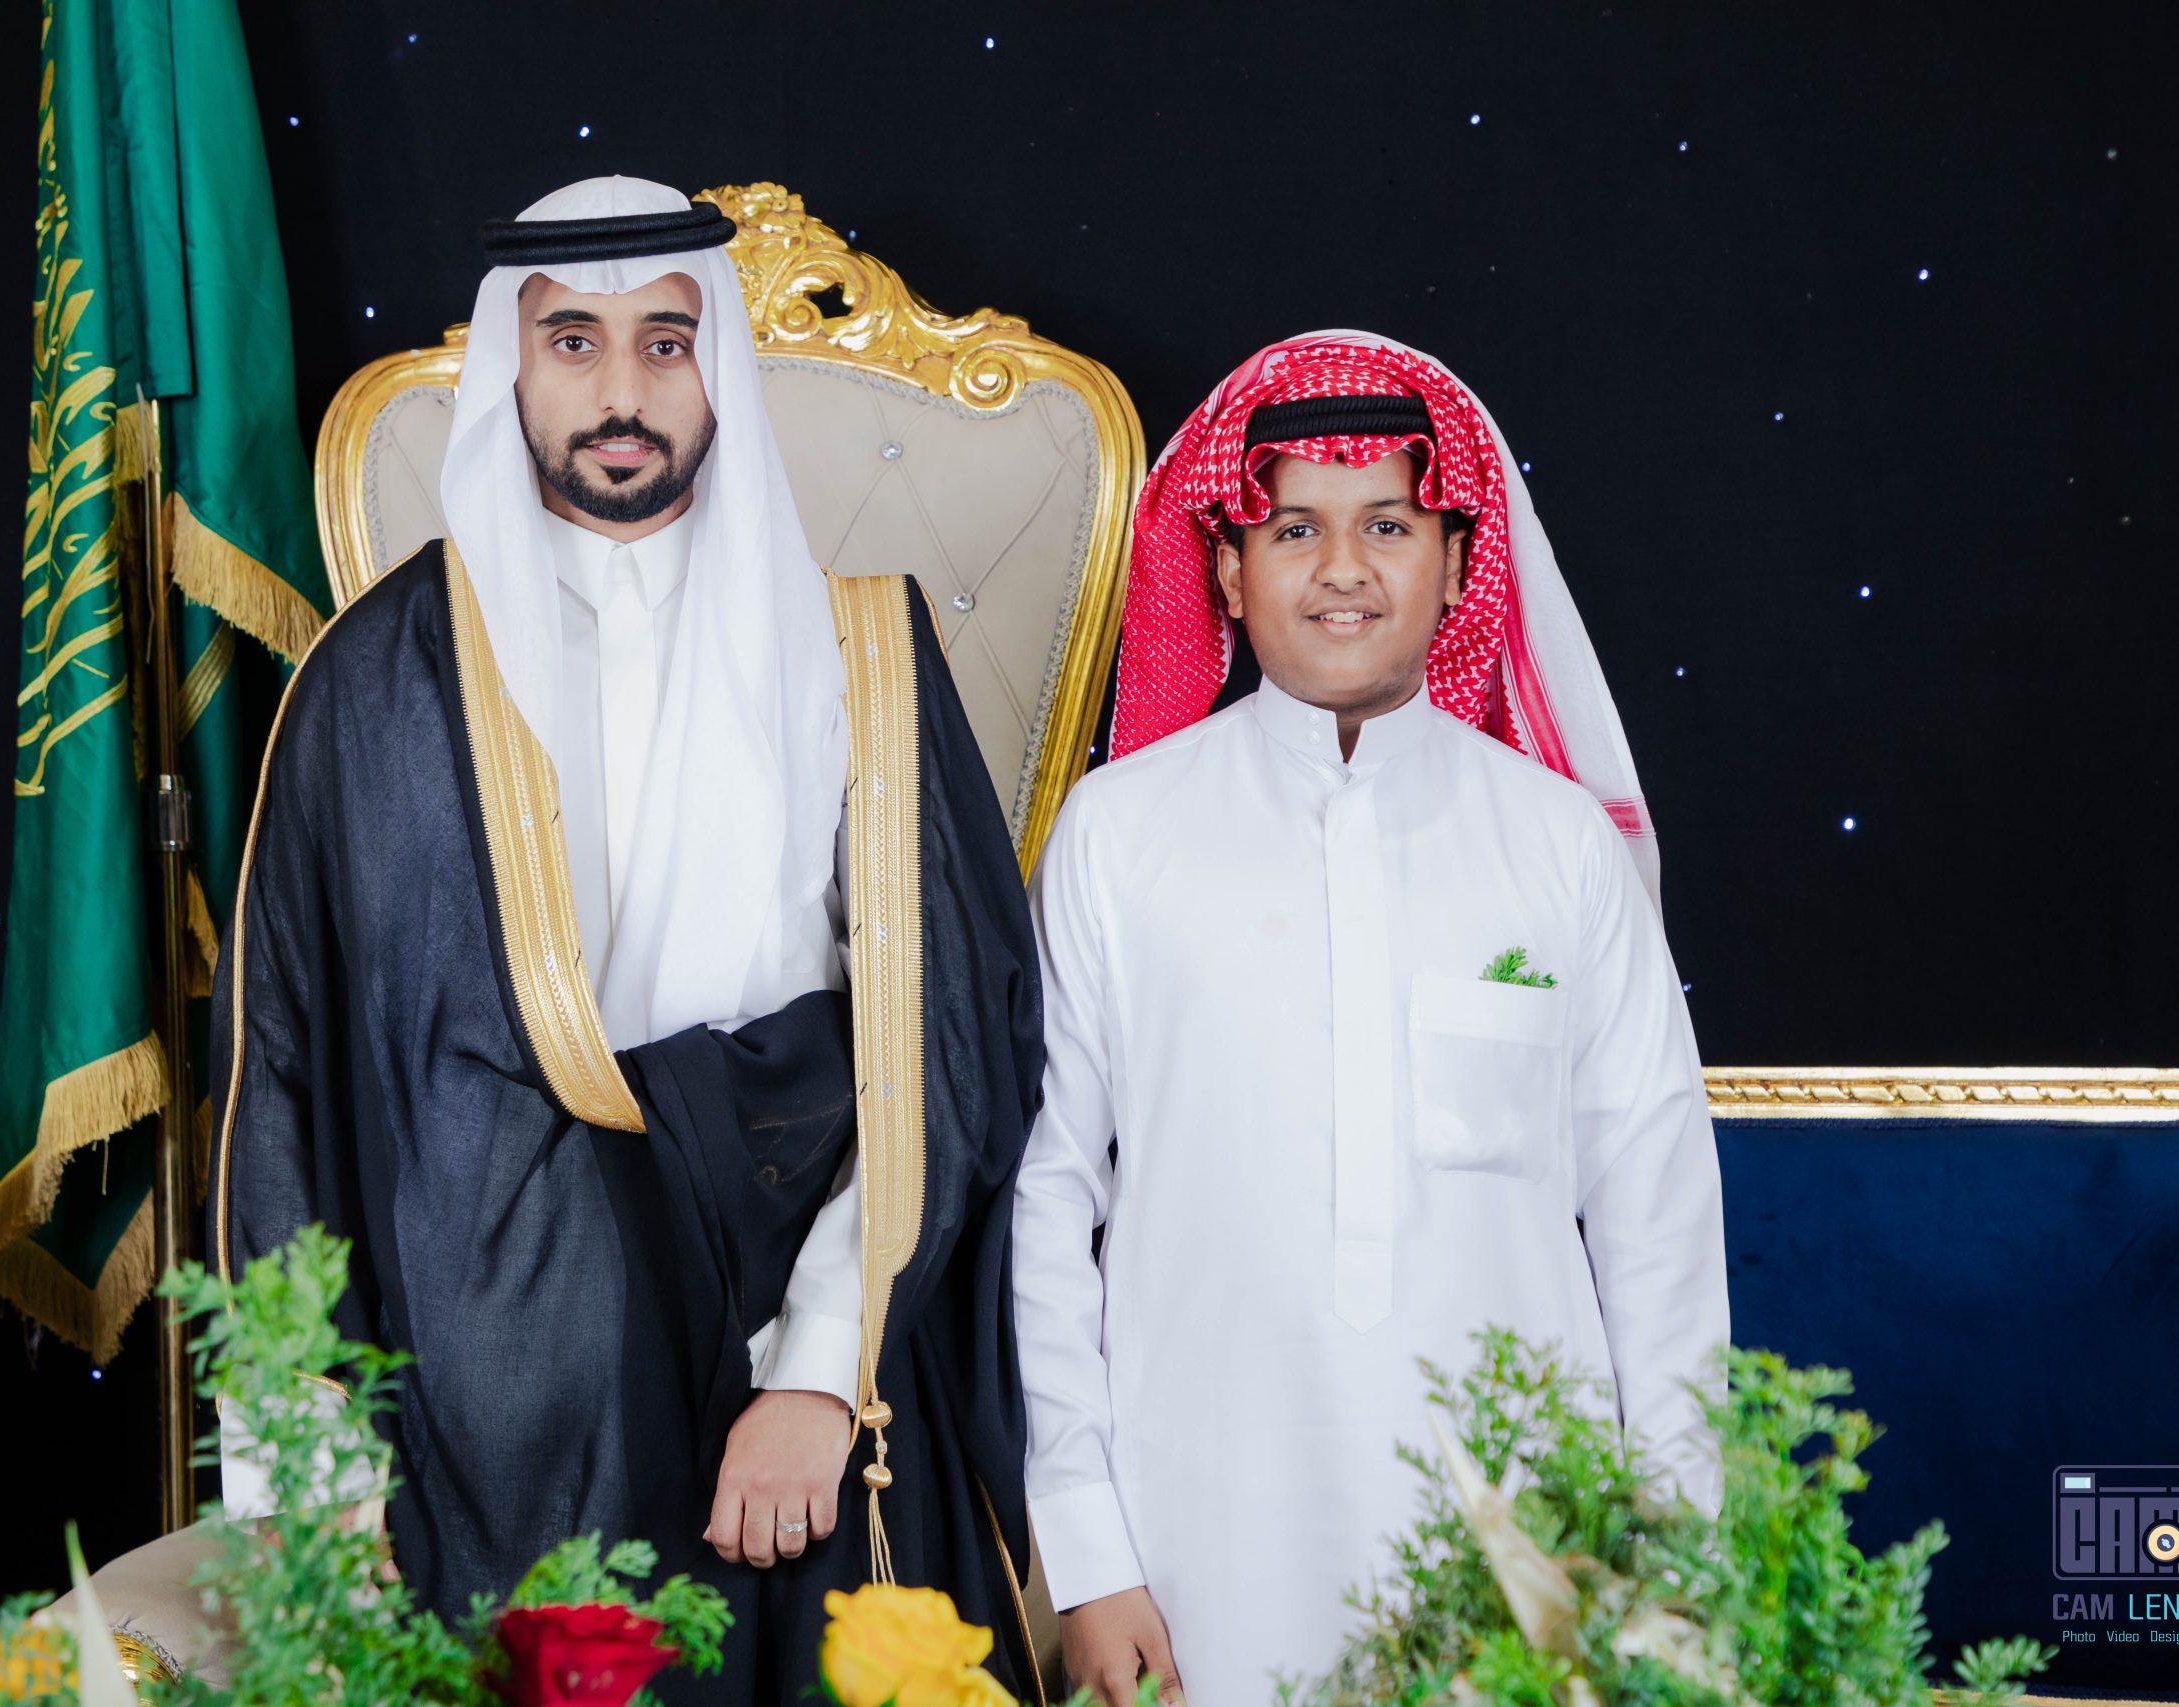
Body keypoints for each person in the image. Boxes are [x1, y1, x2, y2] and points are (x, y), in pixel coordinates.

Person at [208, 176, 1044, 1701]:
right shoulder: (371, 684)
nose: (620, 395)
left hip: (812, 1353)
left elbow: (948, 1046)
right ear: (509, 366)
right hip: (492, 1397)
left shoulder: (862, 651)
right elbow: (285, 1081)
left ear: (718, 365)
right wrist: (307, 1477)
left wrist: (819, 1378)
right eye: (573, 343)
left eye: (666, 343)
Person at [1011, 332, 1729, 1705]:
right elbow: (1042, 1204)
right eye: (1295, 528)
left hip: (1528, 1544)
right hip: (1192, 1538)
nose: (1343, 568)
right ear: (1229, 571)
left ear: (1459, 565)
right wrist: (1088, 1558)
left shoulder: (1560, 845)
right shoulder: (1118, 835)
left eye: (1389, 525)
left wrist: (1669, 1550)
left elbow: (1658, 1222)